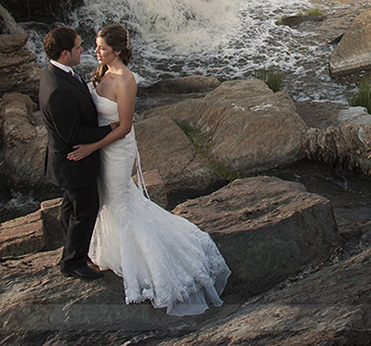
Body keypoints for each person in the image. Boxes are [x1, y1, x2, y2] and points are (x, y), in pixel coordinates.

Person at [67, 24, 230, 316]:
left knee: (121, 202)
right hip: (102, 147)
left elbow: (126, 127)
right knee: (107, 201)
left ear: (117, 51)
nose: (96, 51)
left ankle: (151, 262)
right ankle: (114, 252)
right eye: (95, 46)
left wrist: (91, 147)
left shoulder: (125, 80)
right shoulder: (102, 71)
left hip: (116, 151)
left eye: (102, 48)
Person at [39, 26, 115, 280]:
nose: (83, 49)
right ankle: (73, 263)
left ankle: (72, 251)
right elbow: (72, 134)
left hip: (64, 162)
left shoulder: (56, 73)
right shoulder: (59, 89)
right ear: (64, 53)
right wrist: (108, 130)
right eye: (78, 46)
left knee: (70, 208)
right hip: (73, 162)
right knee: (85, 209)